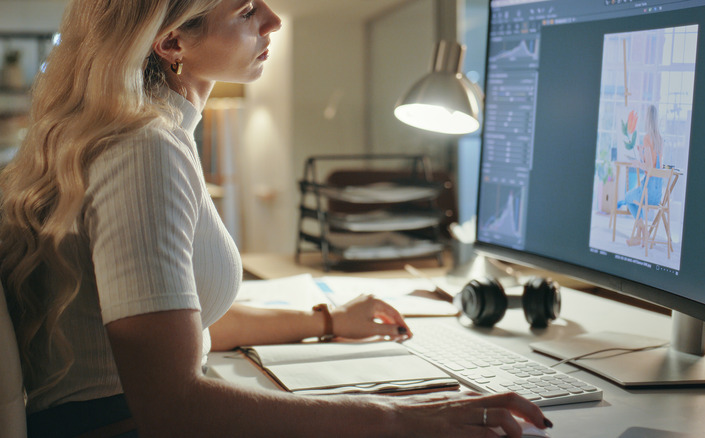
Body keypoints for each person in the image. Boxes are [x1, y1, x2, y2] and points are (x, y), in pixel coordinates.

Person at [0, 1, 552, 437]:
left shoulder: (154, 134)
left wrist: (328, 321)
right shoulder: (144, 150)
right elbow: (175, 409)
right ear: (172, 42)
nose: (274, 20)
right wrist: (396, 420)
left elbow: (184, 325)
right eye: (245, 11)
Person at [618, 105, 664, 247]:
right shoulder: (660, 139)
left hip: (647, 192)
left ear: (647, 119)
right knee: (633, 197)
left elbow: (649, 168)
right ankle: (639, 235)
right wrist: (642, 152)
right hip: (657, 195)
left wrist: (638, 163)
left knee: (627, 197)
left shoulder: (647, 138)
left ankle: (643, 229)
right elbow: (657, 166)